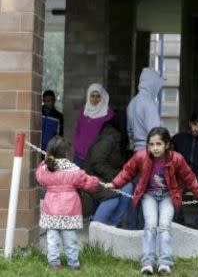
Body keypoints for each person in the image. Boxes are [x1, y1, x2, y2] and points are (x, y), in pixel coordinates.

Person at [106, 127, 198, 275]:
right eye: (151, 144)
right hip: (149, 195)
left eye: (159, 144)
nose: (155, 148)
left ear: (167, 144)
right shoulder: (141, 156)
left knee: (164, 226)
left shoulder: (176, 158)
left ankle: (165, 262)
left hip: (168, 196)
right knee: (150, 225)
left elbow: (190, 178)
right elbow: (127, 171)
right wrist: (114, 183)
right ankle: (147, 262)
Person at [35, 136, 100, 270]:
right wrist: (95, 181)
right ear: (66, 153)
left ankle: (53, 263)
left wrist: (43, 163)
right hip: (69, 211)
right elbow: (88, 184)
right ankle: (73, 264)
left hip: (51, 210)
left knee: (52, 239)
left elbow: (39, 177)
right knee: (70, 240)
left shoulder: (46, 169)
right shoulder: (74, 170)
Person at [84, 114, 133, 227]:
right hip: (92, 178)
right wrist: (116, 179)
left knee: (128, 186)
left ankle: (113, 226)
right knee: (112, 197)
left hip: (103, 176)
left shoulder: (117, 137)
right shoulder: (109, 138)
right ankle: (96, 231)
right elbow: (97, 162)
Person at [73, 83, 114, 168]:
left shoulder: (108, 113)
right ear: (88, 96)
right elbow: (78, 130)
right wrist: (77, 146)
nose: (95, 99)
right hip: (79, 156)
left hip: (97, 157)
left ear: (102, 97)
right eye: (92, 96)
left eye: (98, 96)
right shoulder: (84, 111)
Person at [127, 67, 164, 151]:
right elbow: (155, 133)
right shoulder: (149, 104)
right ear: (152, 84)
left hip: (136, 151)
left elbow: (130, 132)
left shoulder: (132, 103)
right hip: (148, 152)